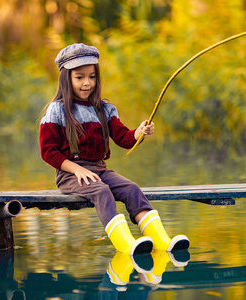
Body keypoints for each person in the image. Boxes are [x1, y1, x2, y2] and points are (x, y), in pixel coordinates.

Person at [39, 43, 189, 255]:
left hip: (100, 170)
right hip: (71, 174)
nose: (87, 83)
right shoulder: (57, 110)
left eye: (92, 77)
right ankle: (126, 244)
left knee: (132, 189)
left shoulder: (105, 109)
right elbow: (48, 151)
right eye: (79, 77)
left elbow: (124, 138)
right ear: (67, 79)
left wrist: (139, 132)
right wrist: (77, 170)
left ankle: (162, 241)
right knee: (101, 191)